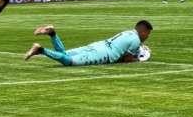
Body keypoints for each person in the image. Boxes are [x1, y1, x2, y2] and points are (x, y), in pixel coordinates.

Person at [24, 20, 153, 66]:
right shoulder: (136, 40)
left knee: (63, 53)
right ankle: (40, 50)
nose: (147, 37)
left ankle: (52, 34)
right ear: (143, 32)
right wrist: (139, 59)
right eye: (148, 34)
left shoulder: (128, 32)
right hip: (103, 54)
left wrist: (138, 52)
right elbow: (127, 59)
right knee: (69, 61)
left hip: (99, 45)